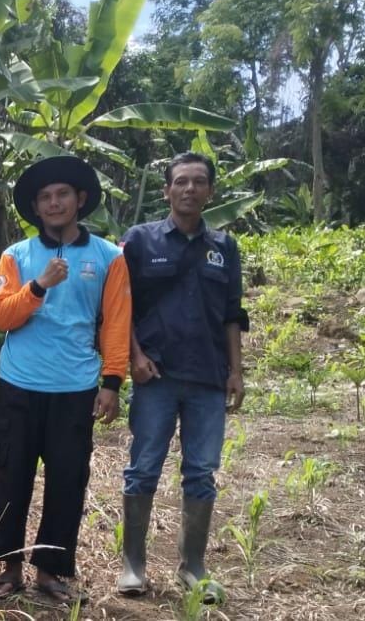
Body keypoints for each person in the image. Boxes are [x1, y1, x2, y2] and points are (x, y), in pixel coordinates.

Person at [0, 155, 130, 604]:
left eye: (62, 194)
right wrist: (38, 286)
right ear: (35, 207)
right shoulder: (16, 255)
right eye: (45, 197)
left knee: (67, 480)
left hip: (75, 386)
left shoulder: (109, 257)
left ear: (80, 199)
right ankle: (9, 568)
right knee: (12, 475)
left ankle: (50, 571)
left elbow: (116, 322)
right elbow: (1, 317)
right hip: (19, 383)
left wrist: (112, 381)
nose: (54, 203)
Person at [117, 152, 248, 603]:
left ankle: (193, 567)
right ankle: (133, 565)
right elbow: (119, 306)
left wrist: (236, 371)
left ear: (210, 191)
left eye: (198, 182)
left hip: (208, 377)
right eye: (181, 181)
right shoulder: (140, 240)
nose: (189, 189)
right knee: (143, 469)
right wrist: (133, 357)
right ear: (167, 190)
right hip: (156, 375)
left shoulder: (224, 247)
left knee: (201, 473)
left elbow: (232, 314)